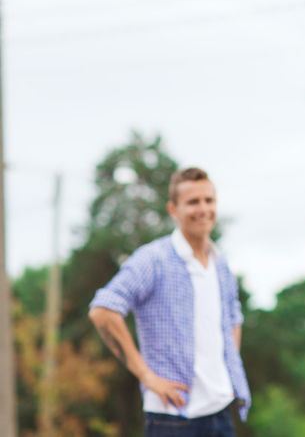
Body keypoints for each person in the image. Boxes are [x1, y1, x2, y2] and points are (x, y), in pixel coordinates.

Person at [89, 167, 250, 436]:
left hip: (221, 410)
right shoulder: (153, 259)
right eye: (193, 202)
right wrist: (146, 376)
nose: (203, 209)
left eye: (208, 200)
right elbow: (102, 311)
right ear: (173, 209)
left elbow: (233, 319)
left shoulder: (220, 263)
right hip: (172, 417)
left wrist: (227, 374)